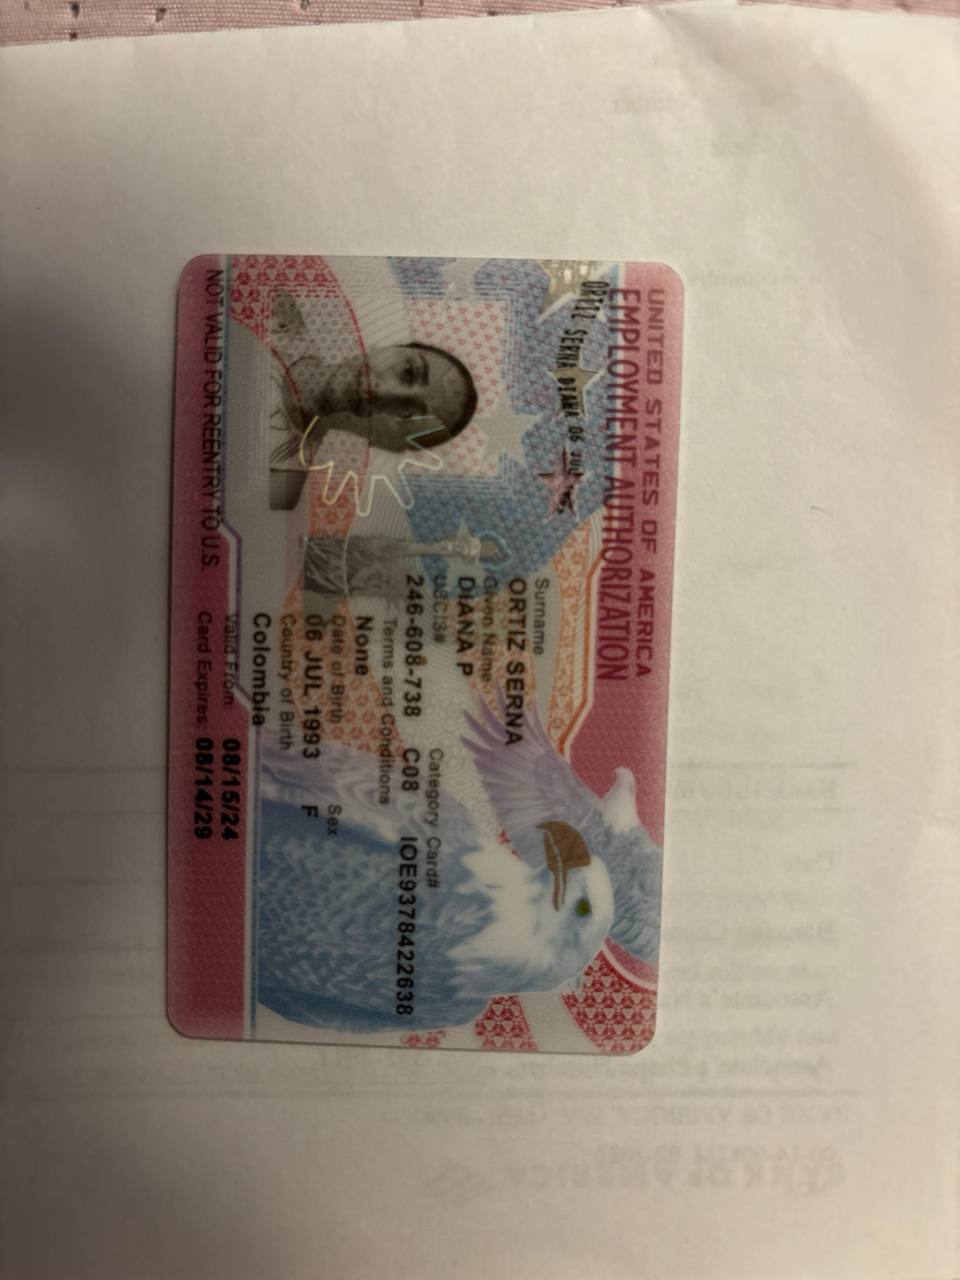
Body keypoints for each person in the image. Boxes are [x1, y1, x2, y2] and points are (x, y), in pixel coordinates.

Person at [269, 341, 478, 510]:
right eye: (408, 372)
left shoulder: (283, 481)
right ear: (388, 347)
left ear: (390, 444)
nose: (383, 391)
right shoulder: (278, 323)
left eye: (407, 412)